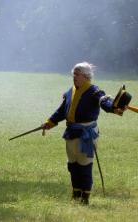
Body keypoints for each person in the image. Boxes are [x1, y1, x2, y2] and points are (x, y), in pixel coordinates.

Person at [42, 62, 125, 205]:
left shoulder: (94, 91)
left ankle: (85, 197)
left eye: (77, 74)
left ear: (86, 76)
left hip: (86, 134)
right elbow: (62, 111)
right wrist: (50, 122)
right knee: (72, 165)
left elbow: (104, 101)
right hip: (71, 132)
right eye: (73, 74)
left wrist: (114, 107)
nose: (74, 77)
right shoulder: (70, 91)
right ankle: (76, 193)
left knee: (84, 165)